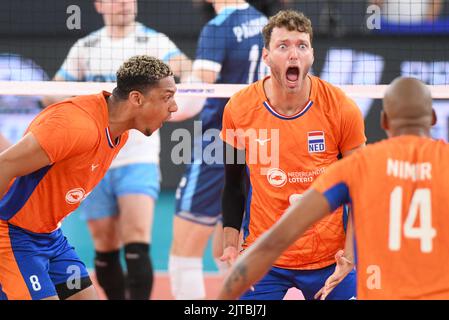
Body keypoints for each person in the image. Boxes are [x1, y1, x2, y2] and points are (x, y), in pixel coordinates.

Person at [218, 76, 449, 300]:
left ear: (384, 121)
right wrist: (348, 258)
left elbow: (276, 240)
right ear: (432, 118)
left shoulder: (357, 167)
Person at [0, 55, 178, 300]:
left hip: (50, 237)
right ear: (136, 98)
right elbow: (4, 166)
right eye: (167, 97)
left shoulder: (118, 134)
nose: (174, 107)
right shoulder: (75, 126)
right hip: (11, 234)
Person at [48, 0, 191, 300]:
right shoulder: (86, 47)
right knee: (105, 245)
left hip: (139, 158)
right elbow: (52, 91)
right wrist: (85, 103)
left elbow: (187, 70)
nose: (126, 4)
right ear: (100, 5)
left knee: (137, 239)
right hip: (94, 159)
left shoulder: (154, 41)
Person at [219, 10, 366, 300]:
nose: (293, 55)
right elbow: (233, 184)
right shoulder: (238, 108)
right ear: (266, 56)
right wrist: (230, 246)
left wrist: (348, 258)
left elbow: (360, 191)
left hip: (329, 259)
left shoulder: (341, 108)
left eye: (301, 46)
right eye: (283, 46)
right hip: (264, 257)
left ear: (311, 54)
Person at [168, 0, 268, 300]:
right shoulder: (265, 22)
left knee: (184, 252)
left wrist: (155, 109)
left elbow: (195, 97)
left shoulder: (217, 28)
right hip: (262, 144)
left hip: (219, 144)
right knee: (230, 246)